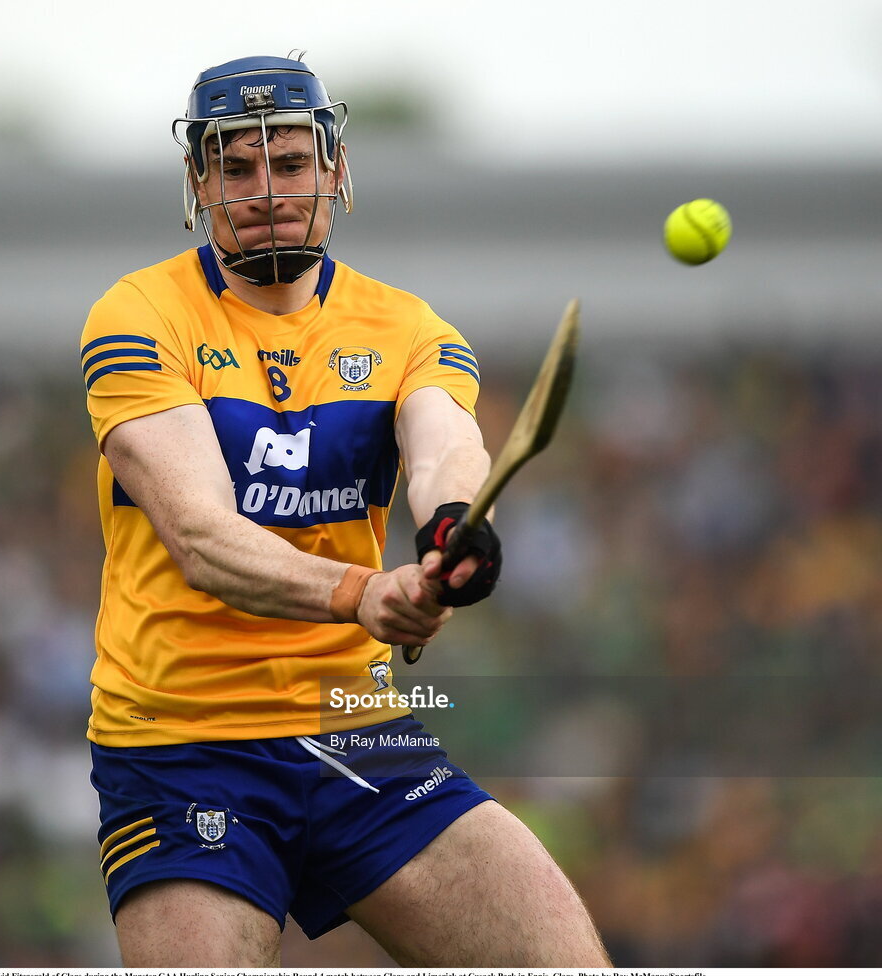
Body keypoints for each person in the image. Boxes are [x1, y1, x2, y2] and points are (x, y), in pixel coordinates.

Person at [80, 54, 609, 967]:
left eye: (289, 162)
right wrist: (366, 593)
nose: (268, 190)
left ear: (333, 168)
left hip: (357, 735)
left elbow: (446, 447)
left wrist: (449, 529)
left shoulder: (407, 327)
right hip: (182, 748)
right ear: (200, 182)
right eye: (237, 168)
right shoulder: (137, 316)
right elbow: (203, 539)